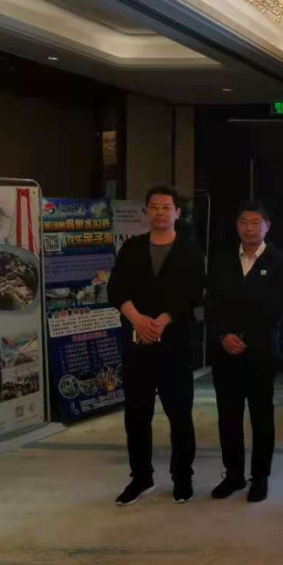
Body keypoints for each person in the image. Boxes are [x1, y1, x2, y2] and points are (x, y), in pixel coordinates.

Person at [107, 185, 204, 507]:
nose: (160, 212)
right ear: (146, 212)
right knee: (136, 415)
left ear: (178, 213)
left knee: (180, 415)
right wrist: (137, 319)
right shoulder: (132, 247)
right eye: (154, 207)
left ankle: (182, 477)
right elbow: (116, 289)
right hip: (138, 344)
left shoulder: (189, 249)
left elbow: (193, 292)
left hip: (175, 345)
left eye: (166, 207)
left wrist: (163, 320)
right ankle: (141, 478)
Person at [205, 201, 283, 503]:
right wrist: (223, 336)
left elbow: (277, 309)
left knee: (261, 417)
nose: (250, 228)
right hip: (225, 352)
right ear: (237, 225)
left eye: (256, 222)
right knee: (228, 416)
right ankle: (233, 475)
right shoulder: (222, 259)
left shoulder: (278, 261)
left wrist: (242, 337)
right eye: (244, 222)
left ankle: (260, 477)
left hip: (260, 353)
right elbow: (211, 305)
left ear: (267, 226)